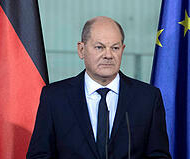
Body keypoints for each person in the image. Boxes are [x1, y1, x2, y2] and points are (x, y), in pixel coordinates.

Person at [26, 16, 171, 159]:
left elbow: (158, 155)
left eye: (115, 48)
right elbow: (39, 155)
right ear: (81, 50)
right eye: (99, 47)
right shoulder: (55, 97)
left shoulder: (147, 98)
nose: (108, 55)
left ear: (123, 49)